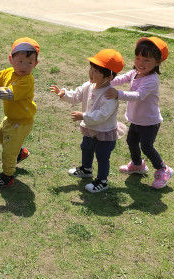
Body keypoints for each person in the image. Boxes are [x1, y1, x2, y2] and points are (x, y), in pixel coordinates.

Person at [50, 49, 124, 193]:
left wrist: (84, 116)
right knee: (86, 148)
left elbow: (102, 115)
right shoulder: (88, 86)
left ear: (108, 77)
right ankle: (86, 169)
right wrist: (64, 94)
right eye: (91, 68)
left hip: (104, 133)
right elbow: (76, 96)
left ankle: (102, 181)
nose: (91, 73)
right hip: (90, 130)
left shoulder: (110, 94)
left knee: (102, 157)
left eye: (96, 71)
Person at [105, 37, 174, 189]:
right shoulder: (135, 72)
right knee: (131, 142)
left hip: (149, 122)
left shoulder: (152, 80)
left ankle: (163, 169)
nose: (141, 63)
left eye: (146, 60)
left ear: (157, 62)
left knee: (147, 147)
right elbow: (123, 77)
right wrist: (107, 81)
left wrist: (118, 94)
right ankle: (137, 165)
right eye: (138, 58)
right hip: (136, 119)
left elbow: (138, 96)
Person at [0, 37, 39, 188]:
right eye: (20, 61)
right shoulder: (8, 72)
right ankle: (19, 153)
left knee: (8, 152)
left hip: (21, 121)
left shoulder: (26, 81)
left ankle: (7, 176)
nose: (24, 66)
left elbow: (9, 93)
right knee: (0, 135)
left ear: (35, 63)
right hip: (11, 118)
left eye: (30, 63)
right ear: (11, 59)